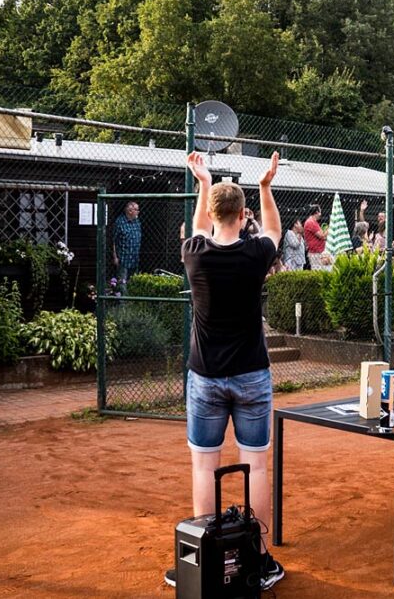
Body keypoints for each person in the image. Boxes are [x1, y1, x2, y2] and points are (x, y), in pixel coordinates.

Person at [165, 150, 284, 591]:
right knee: (255, 466)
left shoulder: (195, 253)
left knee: (203, 467)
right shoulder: (255, 254)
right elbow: (272, 229)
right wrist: (266, 185)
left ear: (215, 213)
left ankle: (206, 556)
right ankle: (259, 558)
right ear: (243, 215)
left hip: (206, 376)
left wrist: (202, 182)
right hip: (252, 374)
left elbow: (199, 227)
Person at [113, 201, 141, 291]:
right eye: (136, 210)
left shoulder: (137, 222)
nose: (138, 212)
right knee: (122, 281)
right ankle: (122, 303)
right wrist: (115, 256)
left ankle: (131, 302)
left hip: (134, 257)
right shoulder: (120, 222)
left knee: (133, 281)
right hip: (123, 258)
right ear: (130, 211)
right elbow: (114, 240)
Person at [303, 205, 327, 269]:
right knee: (317, 270)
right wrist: (329, 227)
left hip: (318, 252)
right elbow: (322, 236)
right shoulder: (311, 222)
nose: (321, 214)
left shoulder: (314, 222)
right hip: (315, 253)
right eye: (320, 212)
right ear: (317, 212)